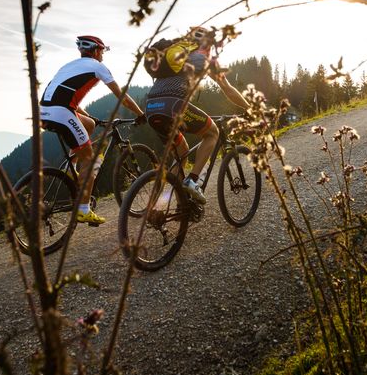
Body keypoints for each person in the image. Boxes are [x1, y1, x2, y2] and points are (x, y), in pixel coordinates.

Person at [40, 35, 145, 225]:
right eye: (102, 51)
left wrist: (92, 118)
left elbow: (65, 97)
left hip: (45, 112)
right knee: (90, 158)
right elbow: (122, 96)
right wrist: (140, 113)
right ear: (96, 51)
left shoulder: (68, 66)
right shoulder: (98, 67)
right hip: (62, 112)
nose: (103, 55)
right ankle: (83, 209)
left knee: (88, 124)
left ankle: (70, 169)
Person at [145, 26, 249, 202]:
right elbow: (228, 90)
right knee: (212, 133)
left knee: (182, 152)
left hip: (151, 107)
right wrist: (249, 108)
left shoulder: (174, 57)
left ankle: (176, 206)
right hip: (174, 105)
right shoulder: (206, 58)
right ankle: (192, 181)